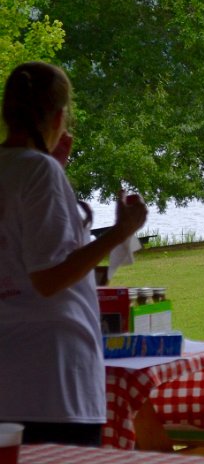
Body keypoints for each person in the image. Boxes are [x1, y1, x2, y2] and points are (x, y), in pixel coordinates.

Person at [0, 61, 148, 446]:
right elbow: (48, 278)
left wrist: (52, 167)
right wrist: (120, 232)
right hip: (53, 381)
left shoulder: (21, 169)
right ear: (59, 116)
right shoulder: (37, 171)